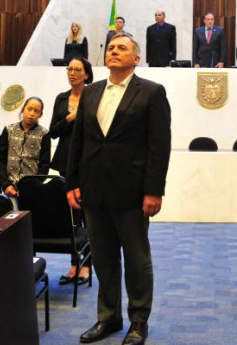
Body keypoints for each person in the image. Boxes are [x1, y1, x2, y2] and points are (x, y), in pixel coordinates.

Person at [66, 34, 171, 345]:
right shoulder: (91, 91)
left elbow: (158, 146)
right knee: (103, 258)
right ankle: (108, 318)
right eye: (110, 47)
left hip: (133, 192)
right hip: (93, 189)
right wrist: (72, 182)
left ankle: (138, 321)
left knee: (137, 260)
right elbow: (78, 141)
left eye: (121, 48)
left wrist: (154, 190)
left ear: (135, 58)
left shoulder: (151, 92)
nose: (113, 50)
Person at [49, 56, 93, 285]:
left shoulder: (94, 94)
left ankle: (86, 265)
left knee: (87, 216)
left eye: (77, 69)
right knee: (71, 216)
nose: (72, 73)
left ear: (86, 74)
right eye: (70, 69)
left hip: (89, 161)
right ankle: (73, 265)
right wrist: (71, 117)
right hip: (66, 160)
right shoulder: (62, 98)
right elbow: (54, 131)